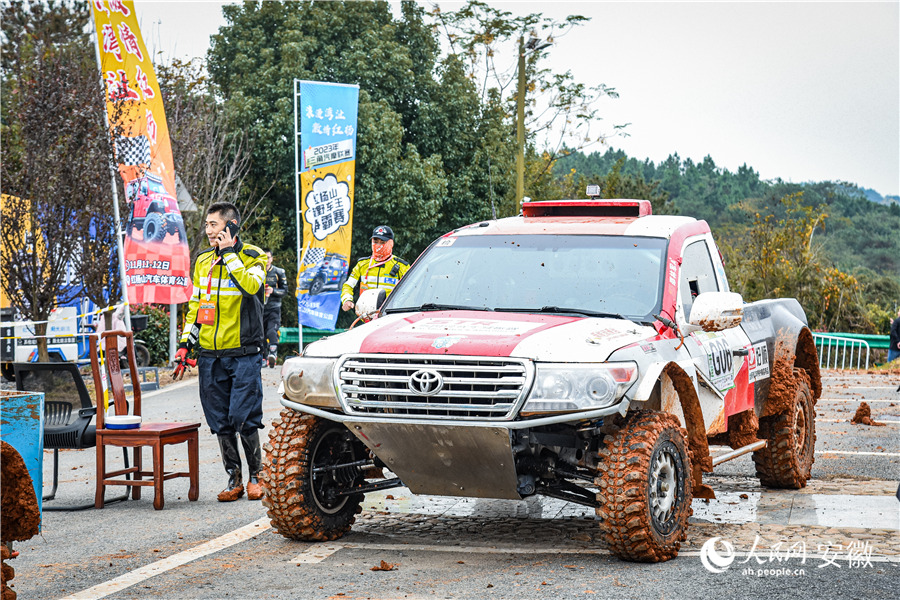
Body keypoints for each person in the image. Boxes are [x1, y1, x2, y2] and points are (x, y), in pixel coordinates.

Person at [176, 202, 267, 502]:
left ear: (231, 226)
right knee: (220, 419)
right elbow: (196, 308)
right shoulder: (202, 262)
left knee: (243, 415)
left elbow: (251, 287)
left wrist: (229, 255)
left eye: (214, 225)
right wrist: (185, 344)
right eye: (207, 225)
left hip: (243, 353)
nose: (209, 230)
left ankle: (257, 475)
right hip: (210, 355)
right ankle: (234, 479)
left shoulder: (253, 256)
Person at [341, 225, 409, 313]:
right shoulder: (362, 264)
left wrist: (398, 307)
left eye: (382, 242)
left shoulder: (401, 266)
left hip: (389, 315)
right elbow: (348, 285)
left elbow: (412, 290)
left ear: (391, 243)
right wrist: (347, 300)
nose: (378, 245)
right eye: (375, 241)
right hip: (365, 315)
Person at [263, 251, 287, 368]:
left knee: (271, 330)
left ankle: (273, 353)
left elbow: (284, 290)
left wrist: (273, 291)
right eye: (264, 258)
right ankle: (263, 357)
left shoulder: (279, 272)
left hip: (274, 307)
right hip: (260, 307)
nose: (266, 260)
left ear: (272, 259)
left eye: (268, 258)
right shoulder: (256, 271)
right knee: (259, 333)